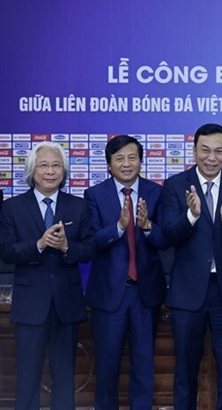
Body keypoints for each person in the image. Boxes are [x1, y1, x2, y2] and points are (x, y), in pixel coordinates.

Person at [160, 123, 222, 410]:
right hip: (188, 294)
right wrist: (190, 216)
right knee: (185, 370)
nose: (211, 158)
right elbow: (167, 236)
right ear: (194, 150)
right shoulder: (175, 185)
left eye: (218, 151)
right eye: (205, 150)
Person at [0, 141, 94, 410]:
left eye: (56, 165)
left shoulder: (79, 206)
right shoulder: (13, 207)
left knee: (64, 376)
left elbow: (89, 250)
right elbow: (6, 252)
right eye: (44, 165)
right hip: (31, 305)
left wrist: (66, 247)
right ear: (32, 170)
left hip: (67, 304)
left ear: (64, 171)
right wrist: (39, 245)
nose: (50, 171)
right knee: (27, 378)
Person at [84, 135, 168, 409]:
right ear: (109, 164)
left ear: (141, 161)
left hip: (145, 296)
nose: (127, 163)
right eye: (119, 158)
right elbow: (92, 242)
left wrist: (147, 226)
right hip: (109, 296)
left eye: (132, 157)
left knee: (144, 368)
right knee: (107, 370)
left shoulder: (156, 192)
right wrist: (119, 227)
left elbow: (165, 241)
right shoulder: (94, 194)